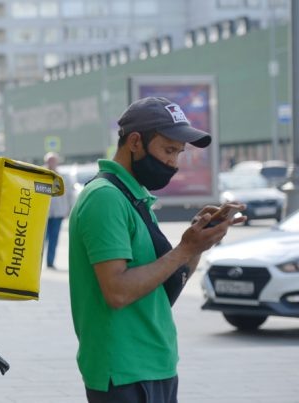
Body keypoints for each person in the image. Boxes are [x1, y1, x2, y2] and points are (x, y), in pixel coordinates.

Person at [68, 96, 245, 403]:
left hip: (154, 363)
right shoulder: (105, 198)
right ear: (135, 142)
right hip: (123, 370)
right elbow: (117, 291)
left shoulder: (133, 196)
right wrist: (184, 249)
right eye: (168, 150)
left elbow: (163, 286)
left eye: (179, 152)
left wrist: (198, 244)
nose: (174, 163)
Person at [43, 151, 71, 270]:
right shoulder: (41, 175)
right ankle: (36, 262)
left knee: (54, 239)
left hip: (58, 213)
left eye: (53, 161)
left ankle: (50, 262)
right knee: (41, 240)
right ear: (46, 162)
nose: (52, 163)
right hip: (44, 214)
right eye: (49, 161)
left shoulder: (63, 177)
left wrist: (67, 209)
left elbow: (69, 195)